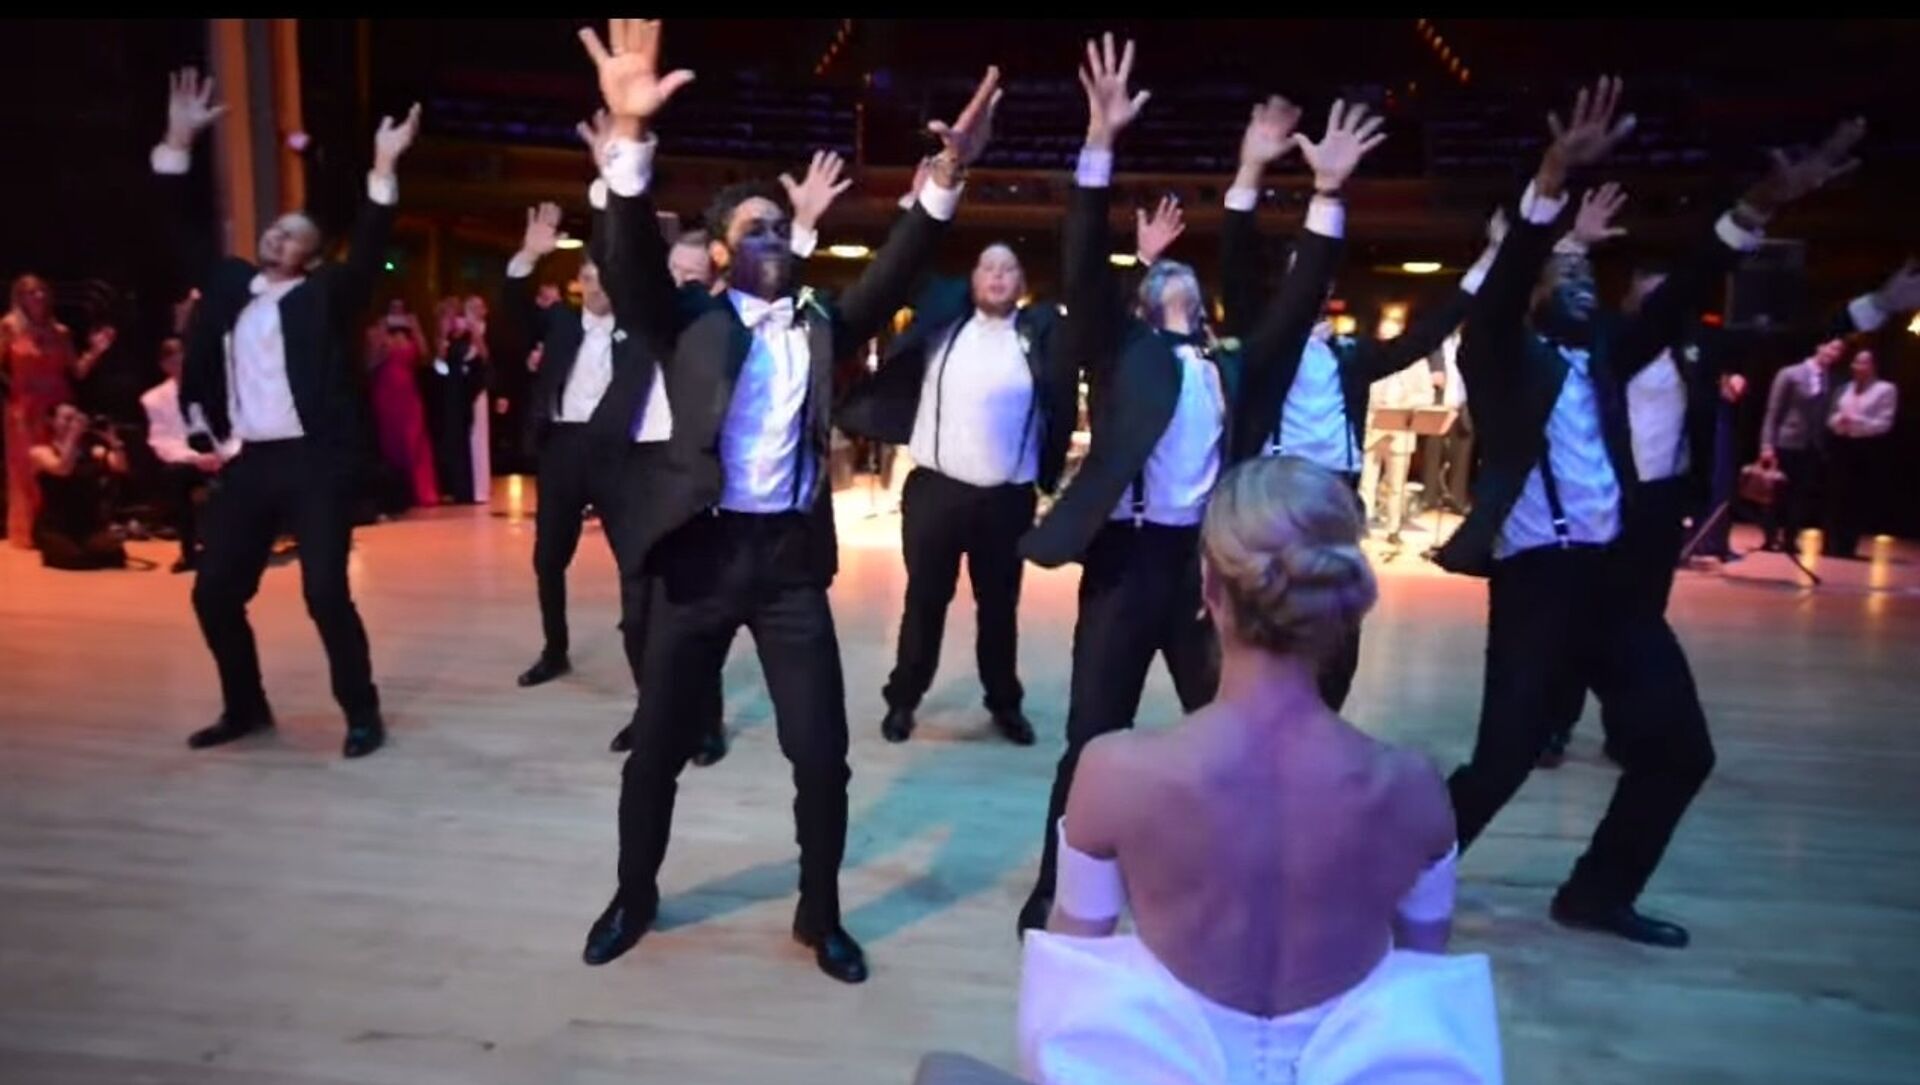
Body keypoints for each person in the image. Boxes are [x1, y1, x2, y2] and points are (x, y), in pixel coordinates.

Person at [573, 19, 998, 984]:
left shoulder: (819, 324)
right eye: (753, 230)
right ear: (725, 256)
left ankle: (820, 913)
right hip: (699, 556)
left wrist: (947, 173)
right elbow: (630, 258)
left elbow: (896, 266)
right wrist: (630, 138)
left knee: (821, 755)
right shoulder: (684, 321)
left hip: (787, 569)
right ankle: (634, 895)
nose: (771, 237)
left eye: (780, 227)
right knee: (657, 749)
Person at [1437, 76, 1863, 947]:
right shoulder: (1498, 355)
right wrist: (1550, 180)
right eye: (1564, 270)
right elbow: (1510, 276)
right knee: (1503, 761)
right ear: (1533, 288)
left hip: (1613, 581)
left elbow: (1687, 286)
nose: (1580, 280)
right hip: (1537, 584)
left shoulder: (1605, 352)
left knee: (1678, 749)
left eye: (1586, 270)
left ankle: (1595, 892)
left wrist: (1760, 202)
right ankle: (1391, 880)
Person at [1015, 37, 1382, 934]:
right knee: (1091, 738)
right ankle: (1059, 887)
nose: (1179, 277)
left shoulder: (1232, 362)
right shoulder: (1124, 350)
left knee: (1233, 739)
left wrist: (1326, 196)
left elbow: (1297, 299)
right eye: (1162, 276)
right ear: (1145, 298)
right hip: (1126, 562)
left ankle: (1226, 887)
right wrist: (1099, 144)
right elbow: (1080, 262)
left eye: (1188, 275)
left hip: (1207, 571)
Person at [1015, 456, 1501, 1085]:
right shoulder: (1413, 787)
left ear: (1210, 590)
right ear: (1343, 605)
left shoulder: (1115, 772)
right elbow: (1418, 976)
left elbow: (1072, 977)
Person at [153, 67, 419, 759]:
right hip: (252, 459)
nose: (278, 235)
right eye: (274, 229)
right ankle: (246, 707)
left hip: (315, 461)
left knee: (325, 591)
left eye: (293, 233)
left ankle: (361, 713)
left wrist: (384, 168)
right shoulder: (231, 285)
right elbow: (181, 231)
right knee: (214, 593)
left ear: (311, 254)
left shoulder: (323, 295)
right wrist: (178, 143)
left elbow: (368, 250)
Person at [1227, 94, 1482, 711]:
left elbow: (1422, 337)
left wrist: (1486, 268)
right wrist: (1250, 170)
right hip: (1278, 489)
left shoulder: (1347, 355)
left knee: (1339, 619)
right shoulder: (1263, 342)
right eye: (1302, 276)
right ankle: (1262, 719)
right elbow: (1236, 260)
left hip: (1337, 490)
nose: (1313, 287)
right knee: (1270, 619)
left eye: (1319, 280)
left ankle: (1325, 717)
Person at [837, 235, 1076, 748]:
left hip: (1007, 499)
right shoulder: (943, 327)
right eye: (987, 267)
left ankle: (1004, 703)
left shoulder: (1036, 338)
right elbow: (904, 269)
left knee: (999, 610)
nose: (997, 275)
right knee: (924, 601)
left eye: (1008, 269)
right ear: (970, 280)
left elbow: (1059, 405)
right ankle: (903, 699)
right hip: (936, 492)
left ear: (1022, 283)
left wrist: (1048, 478)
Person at [3, 275, 114, 548]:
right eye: (31, 292)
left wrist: (96, 351)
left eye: (41, 291)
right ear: (20, 298)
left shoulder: (60, 332)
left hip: (58, 406)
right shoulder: (9, 327)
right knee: (27, 469)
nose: (38, 296)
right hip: (25, 407)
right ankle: (30, 531)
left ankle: (59, 526)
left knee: (61, 462)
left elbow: (77, 371)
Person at [141, 333, 233, 572]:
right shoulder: (154, 399)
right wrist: (195, 458)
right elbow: (162, 441)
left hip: (222, 450)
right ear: (165, 366)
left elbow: (236, 427)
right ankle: (189, 551)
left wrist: (222, 454)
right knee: (174, 476)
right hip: (188, 456)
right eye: (174, 361)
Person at [29, 402, 130, 570]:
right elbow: (63, 469)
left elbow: (121, 467)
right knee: (74, 559)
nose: (73, 424)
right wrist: (73, 437)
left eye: (76, 419)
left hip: (87, 524)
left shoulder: (93, 451)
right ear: (52, 421)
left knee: (115, 555)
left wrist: (114, 442)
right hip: (56, 526)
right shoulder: (40, 452)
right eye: (67, 419)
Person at [1824, 348, 1899, 559]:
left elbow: (1883, 423)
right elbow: (1831, 416)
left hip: (1866, 448)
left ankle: (1847, 545)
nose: (1857, 367)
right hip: (1841, 445)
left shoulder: (1885, 389)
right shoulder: (1845, 388)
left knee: (1856, 498)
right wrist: (1838, 421)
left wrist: (1855, 421)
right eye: (1855, 362)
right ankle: (1830, 543)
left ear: (1873, 366)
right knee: (1834, 495)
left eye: (1863, 363)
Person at [367, 299, 439, 508]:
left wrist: (416, 328)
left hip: (409, 394)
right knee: (391, 441)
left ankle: (421, 490)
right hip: (386, 393)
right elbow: (370, 363)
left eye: (401, 307)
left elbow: (425, 356)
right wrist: (382, 340)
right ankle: (397, 493)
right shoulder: (376, 332)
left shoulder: (412, 334)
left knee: (415, 440)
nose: (398, 311)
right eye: (393, 307)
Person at [427, 298, 487, 505]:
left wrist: (474, 332)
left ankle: (467, 489)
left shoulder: (468, 334)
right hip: (448, 389)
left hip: (466, 389)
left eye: (454, 313)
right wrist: (443, 335)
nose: (452, 317)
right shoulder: (445, 337)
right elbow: (439, 362)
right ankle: (454, 487)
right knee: (451, 438)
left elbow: (483, 356)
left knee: (464, 435)